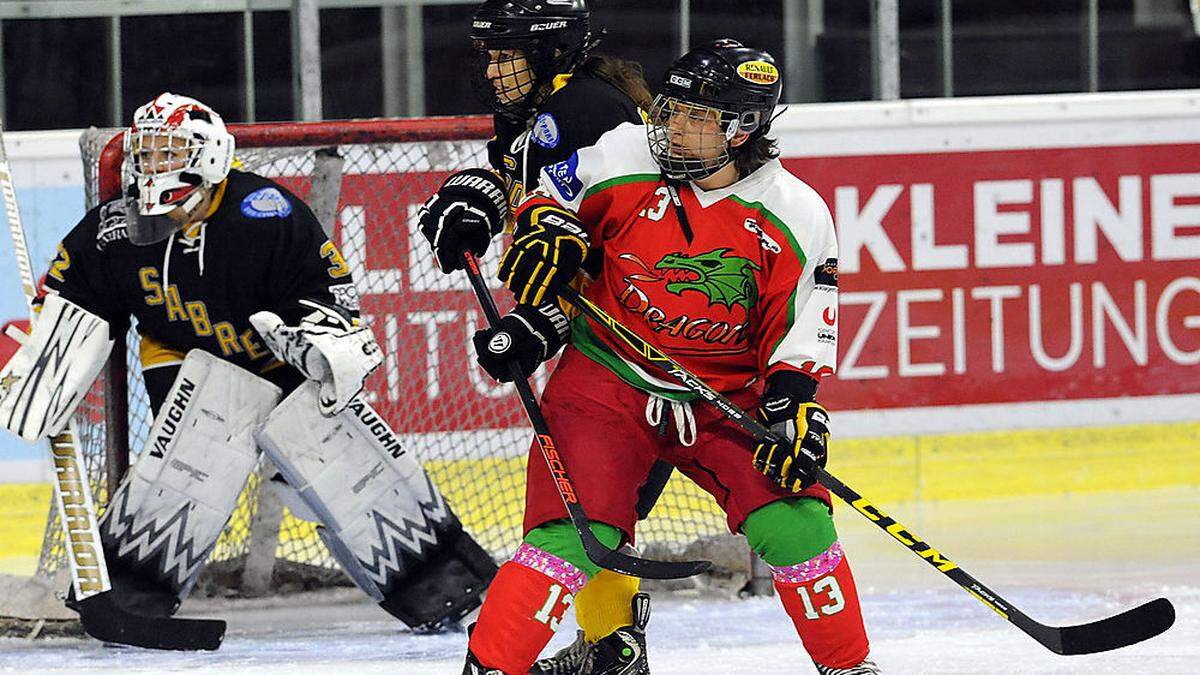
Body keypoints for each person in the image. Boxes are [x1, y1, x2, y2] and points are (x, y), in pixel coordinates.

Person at [0, 92, 495, 634]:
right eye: (145, 154)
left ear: (208, 156)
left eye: (168, 153)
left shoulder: (265, 214)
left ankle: (447, 586)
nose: (151, 167)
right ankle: (128, 592)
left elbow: (331, 298)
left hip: (278, 360)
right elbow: (76, 295)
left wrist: (320, 345)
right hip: (183, 356)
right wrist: (47, 356)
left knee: (342, 461)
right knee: (192, 458)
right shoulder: (115, 228)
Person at [461, 40, 881, 674]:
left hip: (725, 396)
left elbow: (801, 331)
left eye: (698, 119)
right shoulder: (625, 151)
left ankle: (851, 668)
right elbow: (549, 195)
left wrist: (795, 407)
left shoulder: (796, 212)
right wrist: (549, 224)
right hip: (608, 380)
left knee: (796, 528)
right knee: (573, 541)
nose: (675, 130)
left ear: (743, 130)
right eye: (672, 111)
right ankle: (490, 668)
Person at [417, 1, 670, 671]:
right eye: (492, 55)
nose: (494, 70)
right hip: (609, 347)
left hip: (651, 349)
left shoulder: (583, 114)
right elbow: (523, 184)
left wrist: (544, 322)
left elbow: (619, 251)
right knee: (593, 508)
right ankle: (614, 647)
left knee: (583, 510)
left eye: (508, 54)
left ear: (552, 52)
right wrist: (479, 198)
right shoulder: (538, 109)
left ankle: (607, 647)